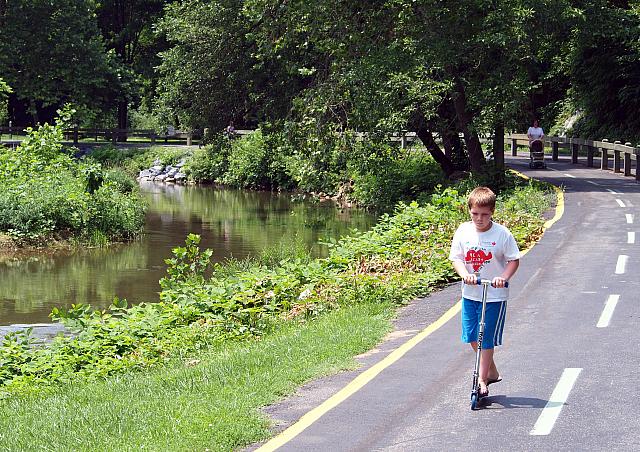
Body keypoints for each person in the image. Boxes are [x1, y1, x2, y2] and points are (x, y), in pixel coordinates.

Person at [449, 187, 520, 397]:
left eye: (485, 214)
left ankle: (482, 379)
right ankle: (491, 370)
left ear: (492, 212)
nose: (480, 219)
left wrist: (503, 278)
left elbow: (513, 260)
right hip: (471, 293)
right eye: (475, 214)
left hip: (494, 296)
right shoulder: (463, 231)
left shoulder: (502, 234)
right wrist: (465, 274)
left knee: (485, 337)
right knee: (472, 336)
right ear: (469, 210)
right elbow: (457, 258)